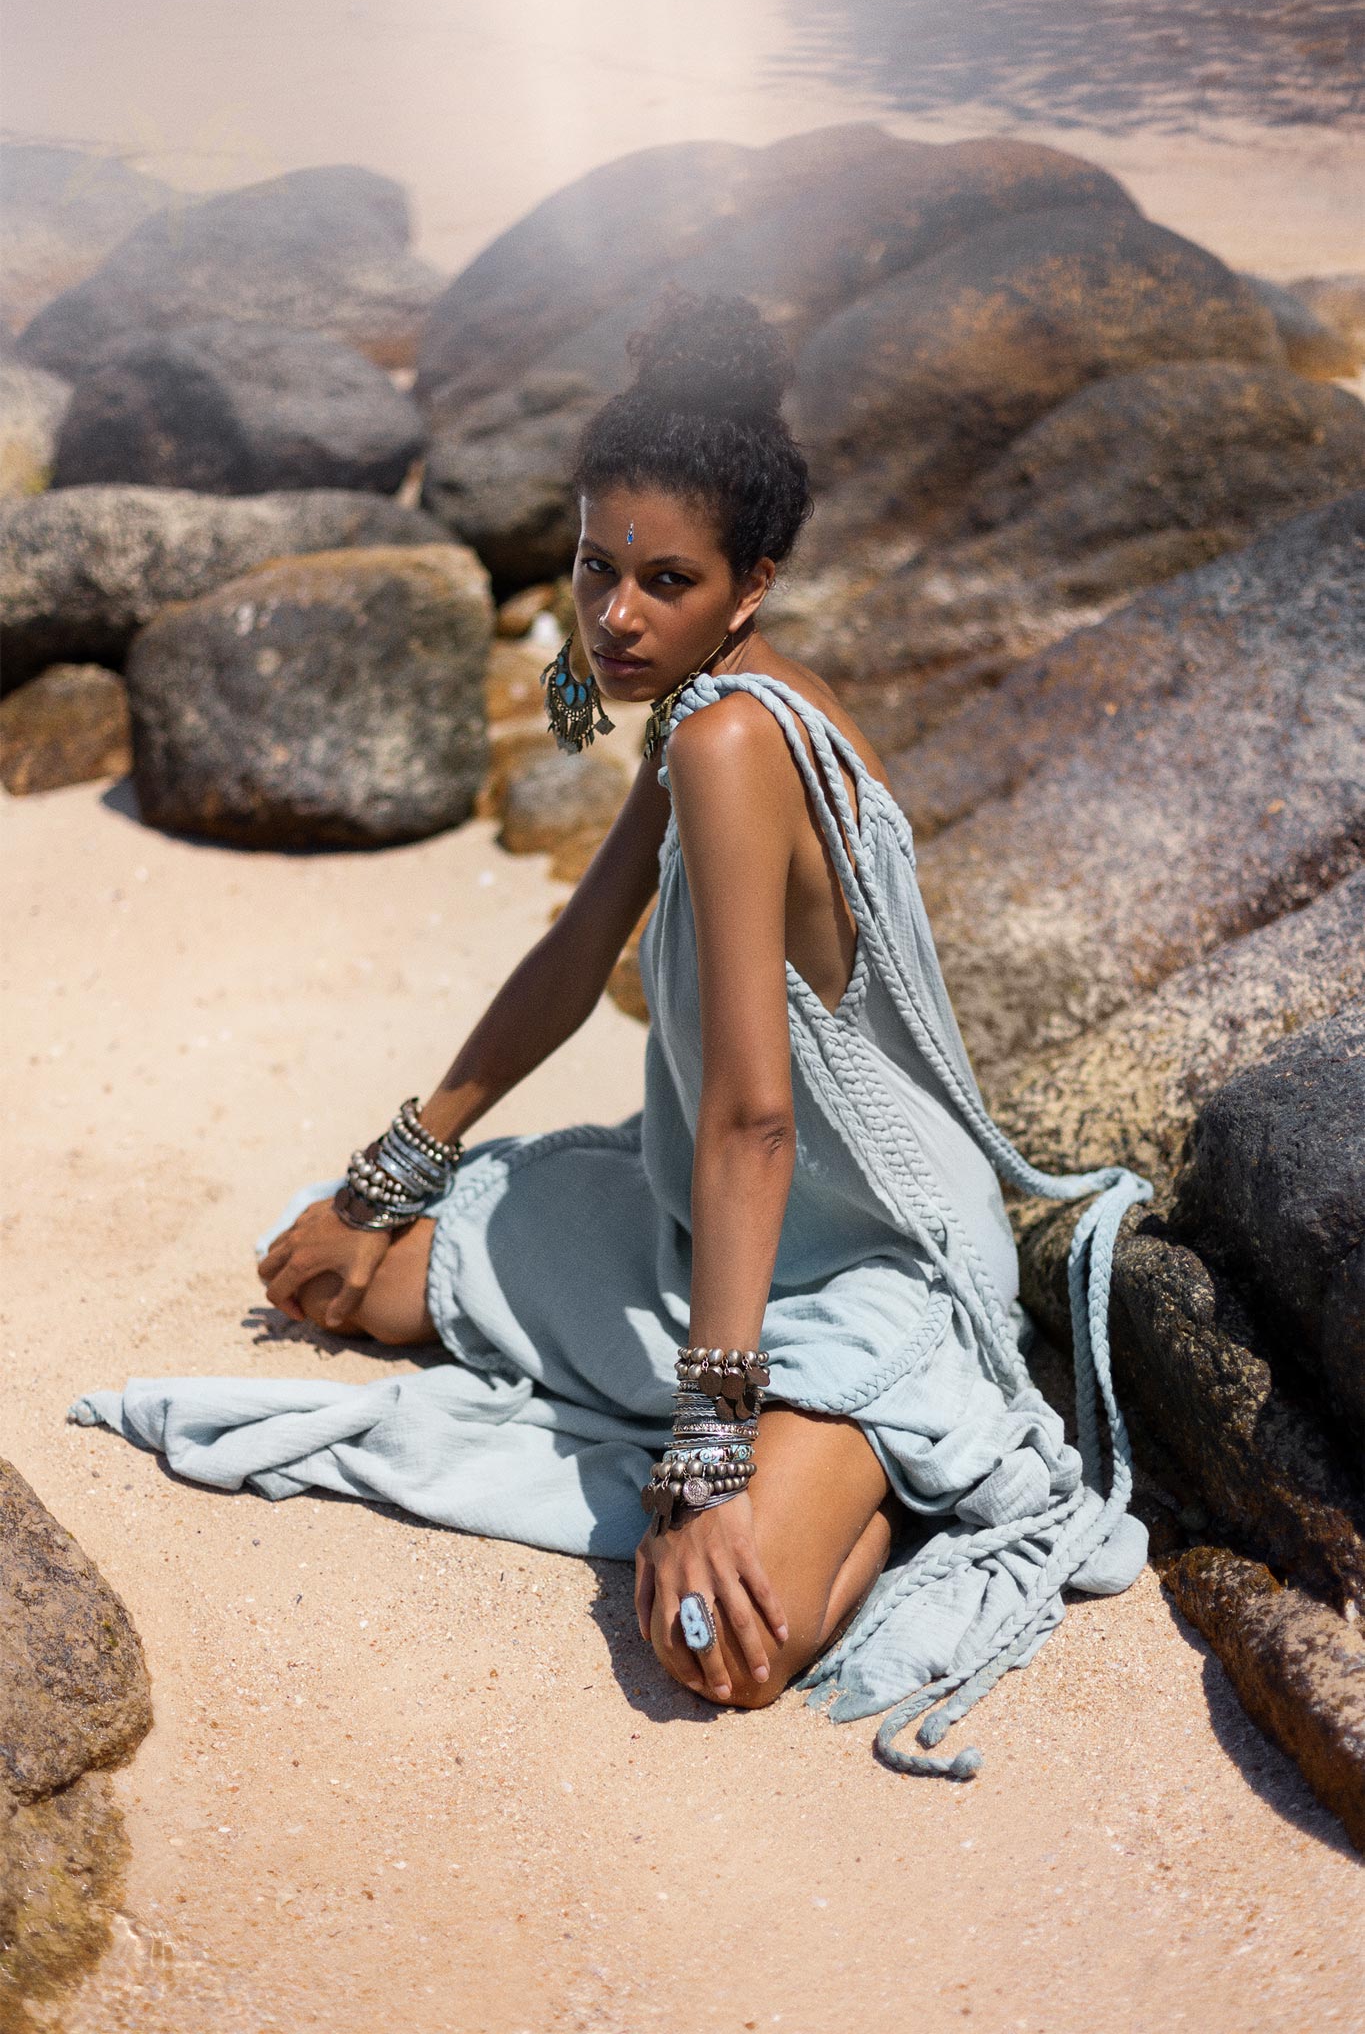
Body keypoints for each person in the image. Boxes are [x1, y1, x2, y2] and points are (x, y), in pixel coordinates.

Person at [70, 294, 1151, 1779]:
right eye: (594, 570)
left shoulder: (736, 739)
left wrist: (708, 1451)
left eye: (664, 580)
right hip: (700, 1219)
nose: (614, 616)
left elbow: (758, 1121)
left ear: (751, 582)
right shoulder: (693, 717)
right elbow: (576, 954)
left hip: (854, 1263)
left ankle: (873, 1470)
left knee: (715, 1650)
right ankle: (767, 1434)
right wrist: (395, 1167)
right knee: (334, 1273)